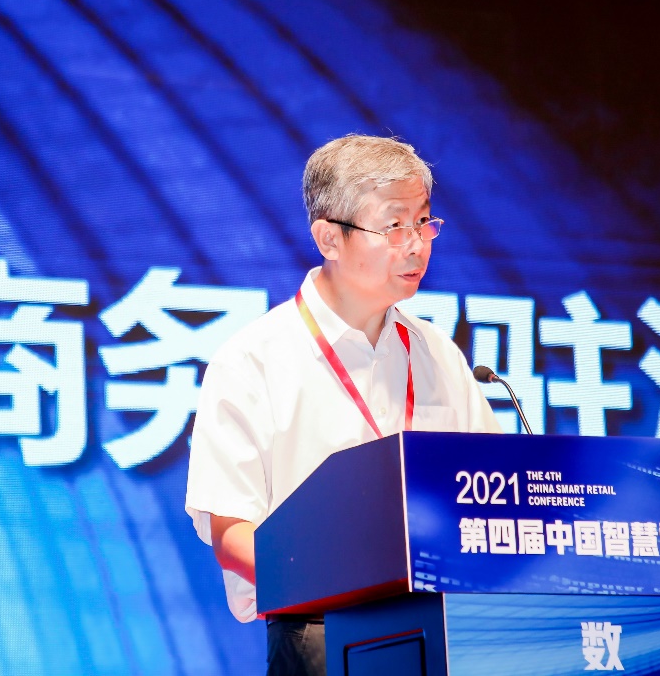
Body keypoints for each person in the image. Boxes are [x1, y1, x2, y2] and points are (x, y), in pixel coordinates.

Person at [185, 135, 501, 675]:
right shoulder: (253, 360)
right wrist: (344, 576)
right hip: (322, 634)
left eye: (423, 222)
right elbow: (231, 533)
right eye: (394, 226)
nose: (416, 244)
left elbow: (491, 490)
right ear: (329, 238)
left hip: (445, 632)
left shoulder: (438, 355)